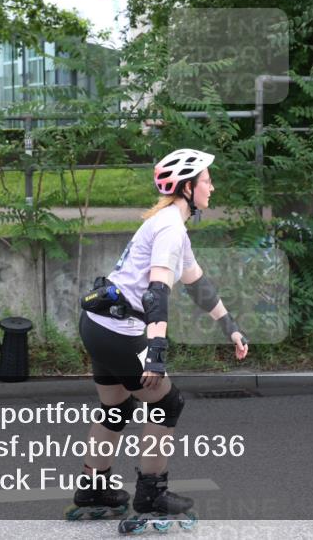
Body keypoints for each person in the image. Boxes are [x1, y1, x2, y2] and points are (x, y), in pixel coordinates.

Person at [68, 148, 249, 530]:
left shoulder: (169, 224)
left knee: (117, 407)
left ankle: (93, 488)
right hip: (119, 332)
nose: (212, 187)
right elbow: (155, 294)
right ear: (187, 188)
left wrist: (229, 325)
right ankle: (151, 492)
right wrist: (156, 351)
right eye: (206, 180)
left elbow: (197, 284)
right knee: (167, 402)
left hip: (99, 325)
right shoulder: (169, 227)